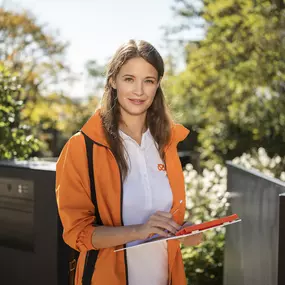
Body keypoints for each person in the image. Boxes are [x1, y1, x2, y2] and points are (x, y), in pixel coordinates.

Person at [55, 39, 203, 285]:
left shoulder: (167, 144)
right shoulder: (82, 147)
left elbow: (168, 223)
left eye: (149, 81)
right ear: (113, 81)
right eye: (129, 79)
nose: (139, 91)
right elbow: (77, 233)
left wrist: (185, 231)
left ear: (157, 86)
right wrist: (139, 230)